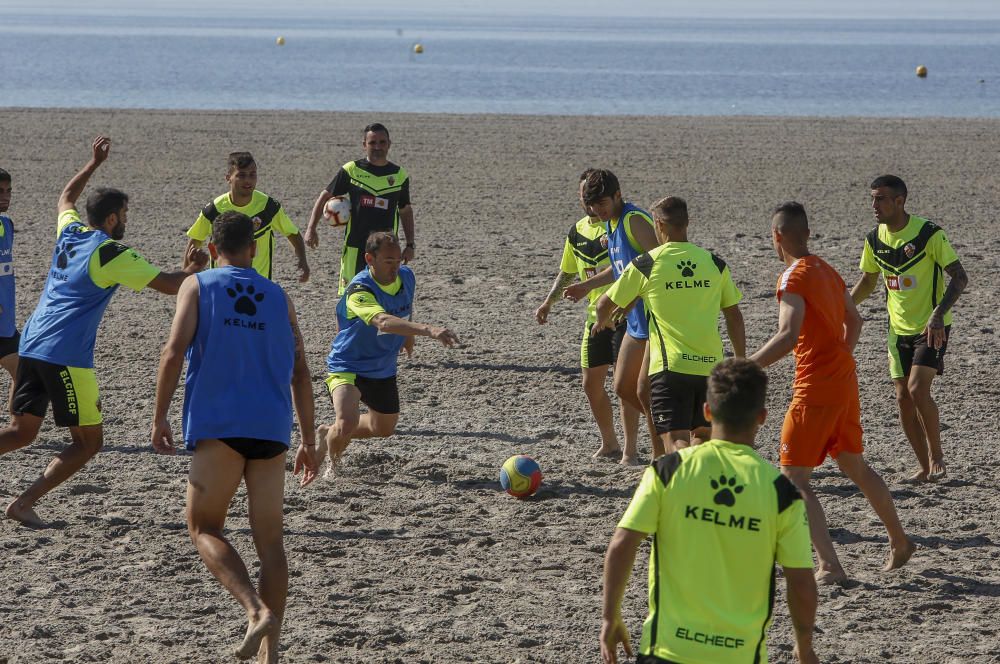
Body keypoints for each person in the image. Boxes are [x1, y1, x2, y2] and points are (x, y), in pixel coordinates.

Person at [0, 136, 208, 528]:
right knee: (89, 443)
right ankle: (23, 502)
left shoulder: (70, 232)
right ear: (112, 218)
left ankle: (23, 503)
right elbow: (169, 284)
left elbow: (65, 196)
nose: (126, 221)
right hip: (65, 357)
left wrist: (93, 163)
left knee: (21, 432)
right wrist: (193, 269)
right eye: (125, 214)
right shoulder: (111, 252)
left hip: (31, 342)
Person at [152, 210, 318, 663]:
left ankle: (254, 609)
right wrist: (309, 439)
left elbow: (173, 352)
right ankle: (272, 657)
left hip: (221, 424)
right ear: (252, 249)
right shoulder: (279, 295)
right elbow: (301, 372)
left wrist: (159, 416)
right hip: (271, 426)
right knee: (271, 543)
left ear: (211, 249)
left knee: (204, 526)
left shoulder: (198, 284)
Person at [601, 358, 818, 664]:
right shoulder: (782, 492)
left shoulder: (669, 470)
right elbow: (802, 583)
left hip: (667, 651)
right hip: (740, 656)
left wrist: (610, 617)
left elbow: (622, 544)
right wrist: (804, 645)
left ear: (706, 411)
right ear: (762, 417)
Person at [751, 202, 915, 585]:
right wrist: (840, 356)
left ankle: (829, 565)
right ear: (807, 232)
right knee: (855, 465)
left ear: (777, 236)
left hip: (815, 387)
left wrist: (747, 366)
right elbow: (854, 319)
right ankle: (899, 540)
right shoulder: (827, 269)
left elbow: (787, 336)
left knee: (793, 478)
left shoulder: (792, 277)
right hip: (843, 381)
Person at [595, 196, 745, 455]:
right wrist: (740, 360)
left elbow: (603, 304)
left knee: (675, 440)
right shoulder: (714, 263)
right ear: (687, 222)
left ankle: (677, 477)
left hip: (670, 368)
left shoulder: (647, 264)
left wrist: (602, 320)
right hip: (710, 366)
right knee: (702, 436)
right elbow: (734, 316)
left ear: (659, 225)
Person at [851, 175, 968, 482]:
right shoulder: (874, 239)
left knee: (918, 389)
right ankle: (924, 466)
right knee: (903, 397)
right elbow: (867, 281)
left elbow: (960, 278)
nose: (874, 205)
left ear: (899, 201)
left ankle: (937, 456)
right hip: (896, 330)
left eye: (880, 199)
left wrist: (938, 314)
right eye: (872, 198)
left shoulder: (929, 233)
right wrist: (842, 308)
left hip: (932, 327)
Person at [317, 232, 458, 475]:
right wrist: (429, 330)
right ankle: (334, 465)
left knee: (382, 428)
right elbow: (382, 321)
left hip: (382, 366)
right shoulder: (359, 290)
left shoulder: (407, 276)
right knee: (347, 422)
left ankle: (327, 431)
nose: (395, 267)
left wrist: (408, 335)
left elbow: (404, 307)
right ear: (369, 259)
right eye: (388, 261)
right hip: (348, 364)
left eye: (398, 260)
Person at [535, 170, 639, 462]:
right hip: (595, 317)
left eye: (594, 198)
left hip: (622, 313)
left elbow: (628, 267)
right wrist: (548, 302)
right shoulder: (577, 231)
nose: (590, 204)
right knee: (591, 383)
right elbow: (568, 271)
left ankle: (631, 449)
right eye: (585, 198)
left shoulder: (618, 224)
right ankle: (610, 443)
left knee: (623, 384)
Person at [563, 170, 660, 463]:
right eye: (592, 205)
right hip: (634, 322)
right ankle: (673, 436)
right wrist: (585, 286)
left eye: (602, 203)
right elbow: (622, 268)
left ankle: (667, 446)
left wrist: (629, 301)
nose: (597, 210)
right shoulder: (613, 223)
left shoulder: (633, 220)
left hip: (653, 320)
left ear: (618, 195)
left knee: (642, 391)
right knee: (624, 388)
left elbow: (661, 262)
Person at [303, 123, 415, 295]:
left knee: (383, 297)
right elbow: (325, 196)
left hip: (386, 248)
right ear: (364, 145)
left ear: (389, 144)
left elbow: (405, 210)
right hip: (355, 246)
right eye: (372, 142)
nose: (377, 147)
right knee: (349, 297)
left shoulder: (399, 175)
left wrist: (409, 244)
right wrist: (311, 228)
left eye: (382, 142)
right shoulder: (351, 171)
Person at [183, 151, 309, 282]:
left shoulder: (268, 207)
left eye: (252, 174)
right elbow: (196, 240)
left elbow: (292, 233)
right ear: (228, 178)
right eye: (241, 175)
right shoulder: (213, 210)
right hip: (222, 285)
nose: (248, 180)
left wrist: (302, 261)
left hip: (259, 284)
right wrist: (184, 277)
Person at [0, 168, 20, 405]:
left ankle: (16, 431)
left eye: (8, 191)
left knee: (23, 373)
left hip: (5, 324)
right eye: (0, 192)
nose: (5, 196)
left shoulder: (6, 224)